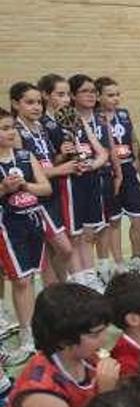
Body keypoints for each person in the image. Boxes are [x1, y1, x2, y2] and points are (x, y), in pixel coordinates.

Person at [0, 106, 53, 359]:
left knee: (31, 277)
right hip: (8, 226)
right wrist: (3, 189)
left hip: (33, 220)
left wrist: (24, 185)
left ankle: (32, 330)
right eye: (5, 128)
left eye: (11, 127)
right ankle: (25, 333)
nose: (11, 132)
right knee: (20, 280)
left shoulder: (24, 155)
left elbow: (46, 188)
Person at [10, 82, 73, 286]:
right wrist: (59, 170)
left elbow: (48, 160)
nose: (36, 106)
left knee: (53, 250)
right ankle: (57, 289)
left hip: (52, 193)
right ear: (15, 104)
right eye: (29, 102)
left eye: (38, 102)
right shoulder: (16, 132)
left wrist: (63, 156)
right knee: (64, 248)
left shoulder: (41, 127)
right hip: (35, 199)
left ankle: (58, 290)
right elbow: (25, 174)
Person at [64, 74, 116, 293]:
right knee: (73, 236)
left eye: (93, 91)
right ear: (73, 95)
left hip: (95, 178)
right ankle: (76, 278)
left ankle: (90, 274)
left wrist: (94, 165)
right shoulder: (65, 118)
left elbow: (105, 151)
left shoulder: (99, 120)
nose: (91, 95)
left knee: (91, 231)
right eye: (85, 91)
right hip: (71, 182)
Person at [96, 77, 140, 276]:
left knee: (139, 217)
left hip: (129, 169)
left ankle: (136, 257)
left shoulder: (124, 114)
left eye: (117, 94)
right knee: (114, 219)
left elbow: (133, 139)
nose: (115, 99)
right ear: (99, 96)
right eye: (110, 95)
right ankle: (118, 262)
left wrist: (138, 162)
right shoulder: (95, 118)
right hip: (110, 171)